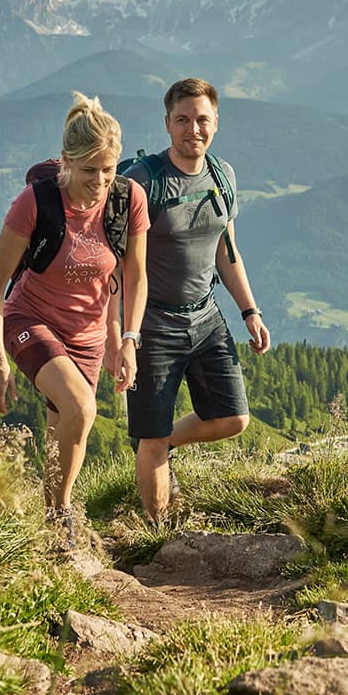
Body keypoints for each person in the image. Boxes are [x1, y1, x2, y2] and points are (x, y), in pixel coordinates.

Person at [0, 93, 149, 549]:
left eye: (108, 169)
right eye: (89, 170)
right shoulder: (35, 203)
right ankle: (61, 517)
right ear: (66, 163)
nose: (99, 181)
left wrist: (125, 339)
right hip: (29, 319)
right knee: (83, 409)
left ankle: (46, 516)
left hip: (89, 337)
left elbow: (133, 277)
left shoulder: (127, 200)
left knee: (63, 435)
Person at [120, 78, 269, 519]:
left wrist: (250, 311)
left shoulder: (222, 176)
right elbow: (118, 265)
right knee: (149, 435)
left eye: (202, 119)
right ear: (167, 124)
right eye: (182, 120)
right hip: (153, 325)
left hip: (205, 317)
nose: (193, 129)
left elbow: (227, 251)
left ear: (216, 123)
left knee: (233, 418)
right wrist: (123, 335)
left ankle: (167, 443)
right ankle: (156, 536)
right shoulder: (142, 182)